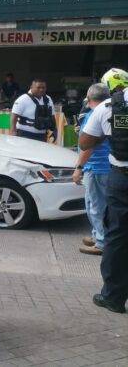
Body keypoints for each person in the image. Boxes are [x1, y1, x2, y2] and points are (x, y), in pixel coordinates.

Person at [79, 68, 128, 314]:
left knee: (117, 237)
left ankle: (113, 297)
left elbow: (84, 142)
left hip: (121, 177)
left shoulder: (108, 107)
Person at [73, 83, 112, 256]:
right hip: (106, 166)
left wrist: (78, 168)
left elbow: (88, 147)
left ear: (89, 98)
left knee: (95, 206)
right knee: (97, 204)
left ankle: (102, 242)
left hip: (96, 167)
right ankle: (97, 235)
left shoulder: (93, 115)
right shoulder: (109, 112)